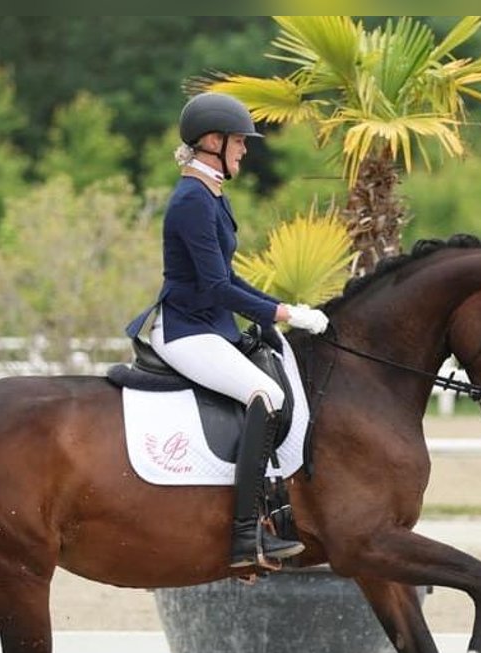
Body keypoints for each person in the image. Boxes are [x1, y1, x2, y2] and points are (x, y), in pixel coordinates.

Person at [125, 92, 330, 568]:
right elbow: (216, 286)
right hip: (185, 330)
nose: (244, 150)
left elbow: (230, 278)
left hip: (211, 325)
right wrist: (282, 313)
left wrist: (277, 313)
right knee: (266, 395)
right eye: (239, 141)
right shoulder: (192, 199)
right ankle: (244, 535)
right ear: (213, 142)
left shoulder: (212, 195)